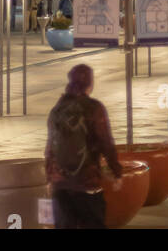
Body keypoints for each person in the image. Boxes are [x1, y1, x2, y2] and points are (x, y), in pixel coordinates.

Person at [45, 63, 122, 229]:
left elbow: (50, 148)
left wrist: (49, 178)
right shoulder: (94, 108)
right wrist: (117, 172)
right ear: (90, 84)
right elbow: (106, 143)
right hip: (87, 182)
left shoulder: (57, 110)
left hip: (61, 185)